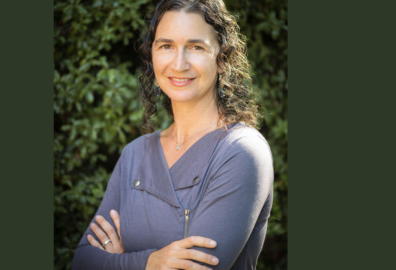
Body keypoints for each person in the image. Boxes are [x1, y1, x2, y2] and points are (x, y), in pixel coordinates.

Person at [72, 0, 274, 269]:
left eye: (196, 47)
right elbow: (83, 261)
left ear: (222, 57)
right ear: (152, 53)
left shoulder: (240, 152)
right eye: (166, 46)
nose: (179, 64)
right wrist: (150, 263)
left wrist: (118, 262)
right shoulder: (135, 154)